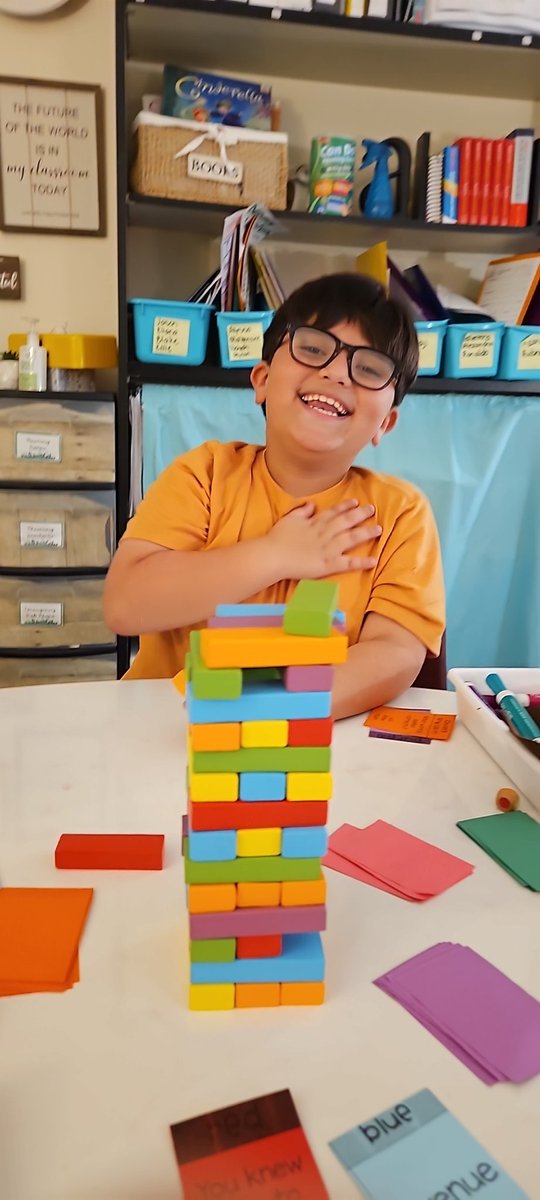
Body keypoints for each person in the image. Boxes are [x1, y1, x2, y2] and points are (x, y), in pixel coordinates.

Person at [104, 273, 445, 719]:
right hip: (169, 733)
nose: (337, 372)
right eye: (313, 348)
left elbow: (395, 653)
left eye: (370, 369)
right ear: (262, 380)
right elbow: (126, 604)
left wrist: (269, 702)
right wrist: (275, 555)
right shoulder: (204, 475)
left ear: (386, 423)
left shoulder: (401, 513)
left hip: (311, 747)